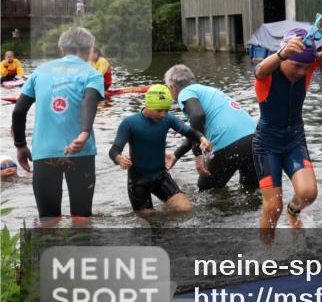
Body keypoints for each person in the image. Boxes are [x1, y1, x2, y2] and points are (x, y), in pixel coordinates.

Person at [253, 17, 322, 243]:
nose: (302, 72)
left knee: (308, 194)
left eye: (306, 67)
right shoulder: (268, 75)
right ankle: (266, 254)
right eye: (296, 66)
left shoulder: (307, 67)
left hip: (294, 141)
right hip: (267, 145)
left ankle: (292, 212)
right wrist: (282, 53)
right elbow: (260, 69)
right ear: (284, 57)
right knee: (272, 207)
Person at [11, 27, 105, 226]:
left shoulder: (40, 71)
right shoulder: (92, 73)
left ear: (62, 49)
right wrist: (84, 133)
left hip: (44, 152)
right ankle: (83, 254)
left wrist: (20, 145)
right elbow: (89, 101)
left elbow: (19, 111)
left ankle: (47, 254)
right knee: (81, 219)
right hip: (81, 152)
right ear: (89, 49)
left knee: (48, 220)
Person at [109, 85, 211, 215]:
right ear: (148, 105)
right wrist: (119, 158)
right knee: (151, 220)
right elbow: (113, 151)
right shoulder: (130, 123)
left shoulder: (168, 119)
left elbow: (190, 132)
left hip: (160, 176)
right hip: (139, 181)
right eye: (159, 110)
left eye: (166, 110)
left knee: (185, 209)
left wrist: (202, 139)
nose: (163, 114)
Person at [163, 64, 258, 191]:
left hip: (230, 142)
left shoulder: (185, 93)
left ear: (173, 88)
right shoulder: (206, 90)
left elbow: (197, 115)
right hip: (255, 139)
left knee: (206, 191)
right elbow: (196, 133)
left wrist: (198, 155)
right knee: (250, 190)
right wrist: (176, 155)